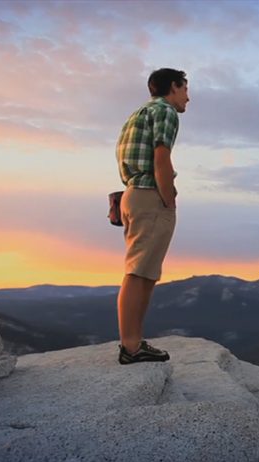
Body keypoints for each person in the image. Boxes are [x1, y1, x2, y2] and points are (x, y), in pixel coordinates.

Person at [115, 68, 189, 364]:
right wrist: (168, 199)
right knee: (139, 273)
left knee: (143, 272)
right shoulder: (166, 111)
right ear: (173, 87)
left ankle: (133, 342)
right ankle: (131, 347)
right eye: (185, 88)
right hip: (149, 195)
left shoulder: (138, 113)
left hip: (133, 193)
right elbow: (162, 156)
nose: (188, 97)